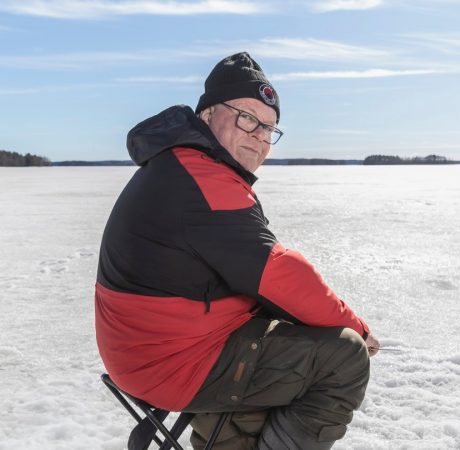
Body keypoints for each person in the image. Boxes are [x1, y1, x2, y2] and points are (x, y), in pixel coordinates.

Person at [95, 52, 379, 450]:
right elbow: (278, 272)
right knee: (344, 355)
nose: (260, 136)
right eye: (248, 118)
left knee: (284, 324)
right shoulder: (202, 178)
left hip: (150, 349)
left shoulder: (183, 165)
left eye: (270, 128)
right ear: (208, 115)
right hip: (170, 361)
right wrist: (357, 327)